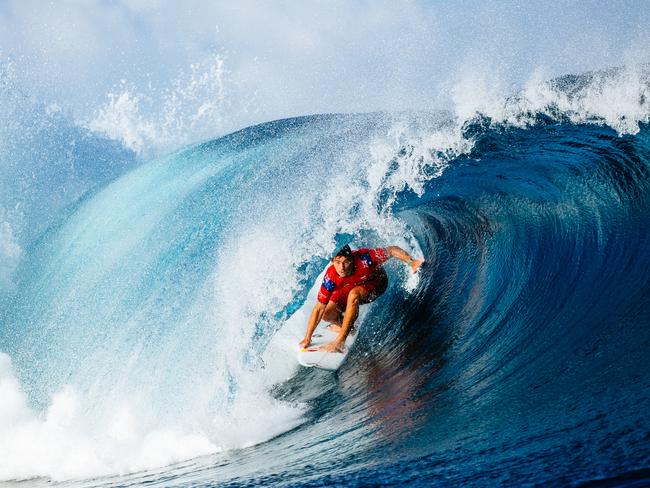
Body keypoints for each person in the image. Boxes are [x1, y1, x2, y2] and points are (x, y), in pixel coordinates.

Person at [299, 244, 424, 353]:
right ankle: (348, 327)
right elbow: (318, 308)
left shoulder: (365, 258)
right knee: (327, 314)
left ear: (352, 260)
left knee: (354, 294)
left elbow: (391, 250)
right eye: (337, 262)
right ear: (332, 261)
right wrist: (307, 338)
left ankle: (340, 342)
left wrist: (410, 262)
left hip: (375, 285)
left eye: (345, 262)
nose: (341, 267)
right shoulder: (331, 276)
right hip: (347, 288)